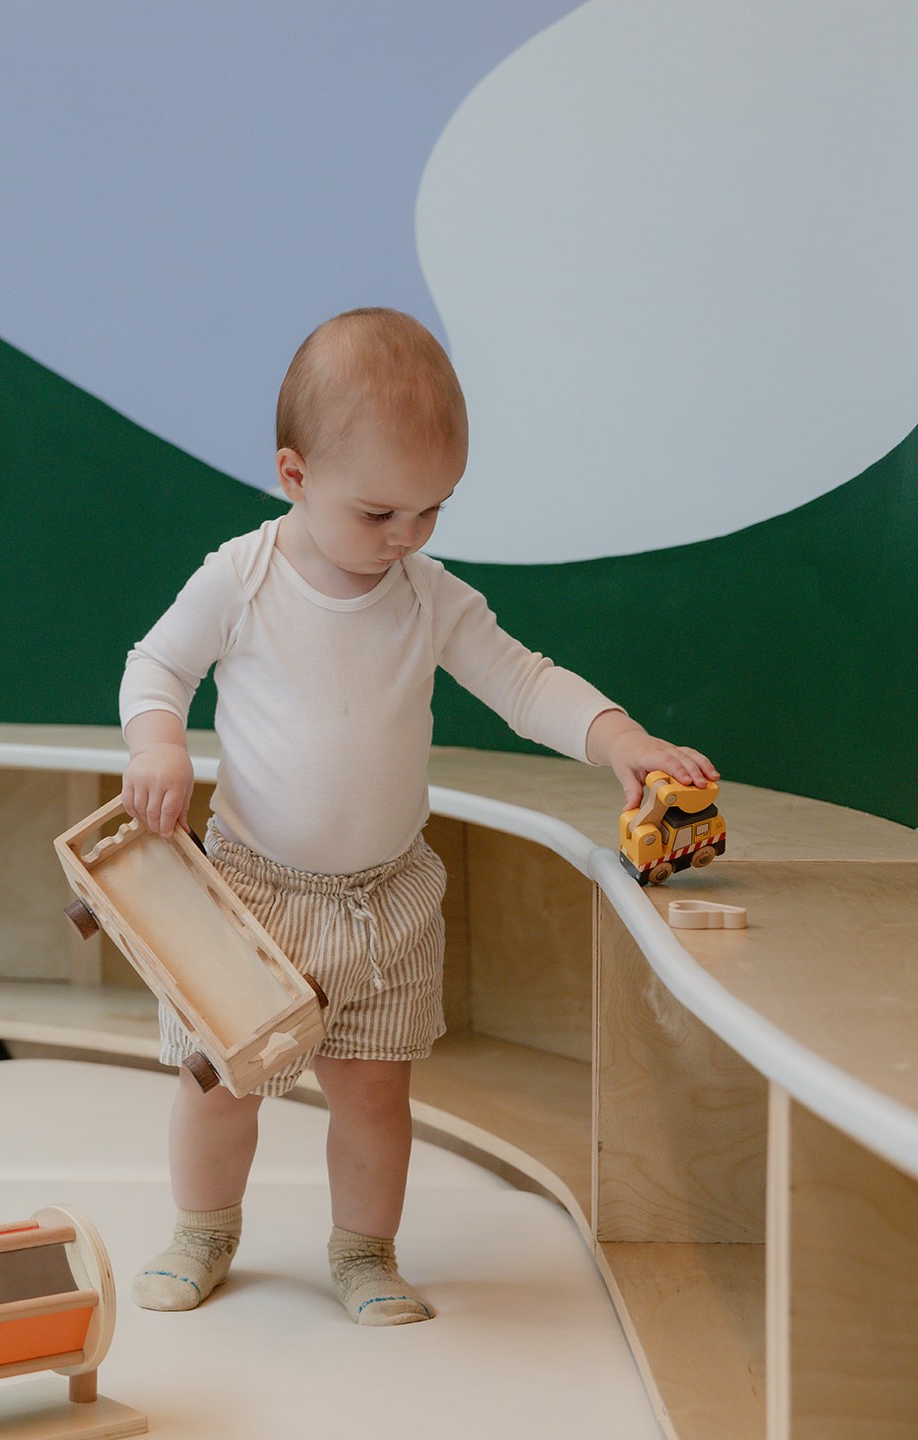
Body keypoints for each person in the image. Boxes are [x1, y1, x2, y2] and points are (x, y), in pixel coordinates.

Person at [118, 307, 717, 1326]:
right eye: (378, 513)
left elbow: (522, 681)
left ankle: (364, 1251)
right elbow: (156, 664)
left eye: (431, 511)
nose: (404, 537)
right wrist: (158, 743)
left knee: (372, 1093)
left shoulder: (423, 595)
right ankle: (203, 1227)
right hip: (253, 886)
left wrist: (619, 738)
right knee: (218, 1084)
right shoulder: (243, 576)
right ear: (294, 476)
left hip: (383, 899)